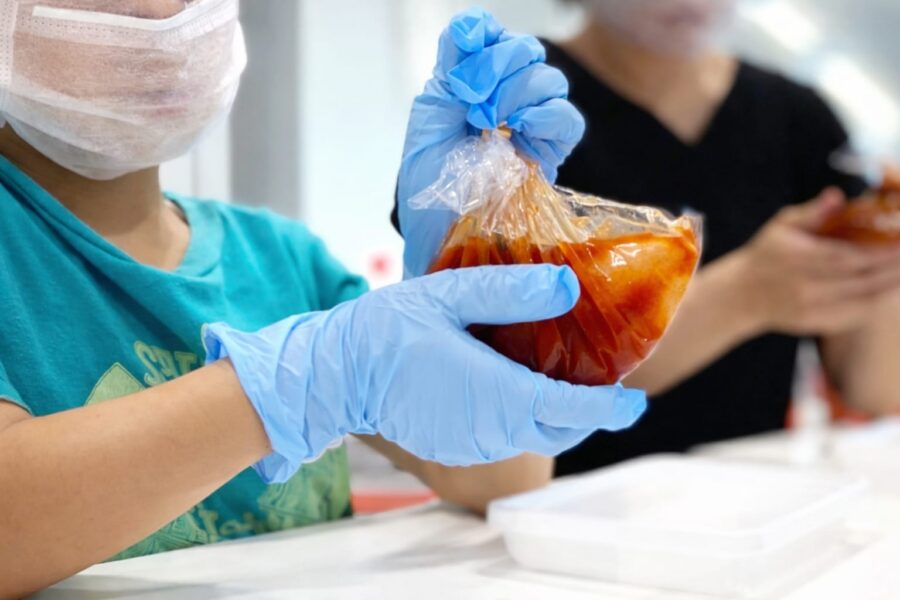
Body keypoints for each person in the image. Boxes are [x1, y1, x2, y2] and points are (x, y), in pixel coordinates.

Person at [0, 3, 646, 596]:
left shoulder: (278, 256)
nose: (159, 15)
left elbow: (501, 479)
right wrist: (302, 380)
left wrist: (472, 245)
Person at [538, 0, 900, 474]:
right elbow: (532, 384)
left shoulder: (798, 118)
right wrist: (745, 294)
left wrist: (881, 258)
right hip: (566, 496)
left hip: (753, 492)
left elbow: (874, 388)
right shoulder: (525, 110)